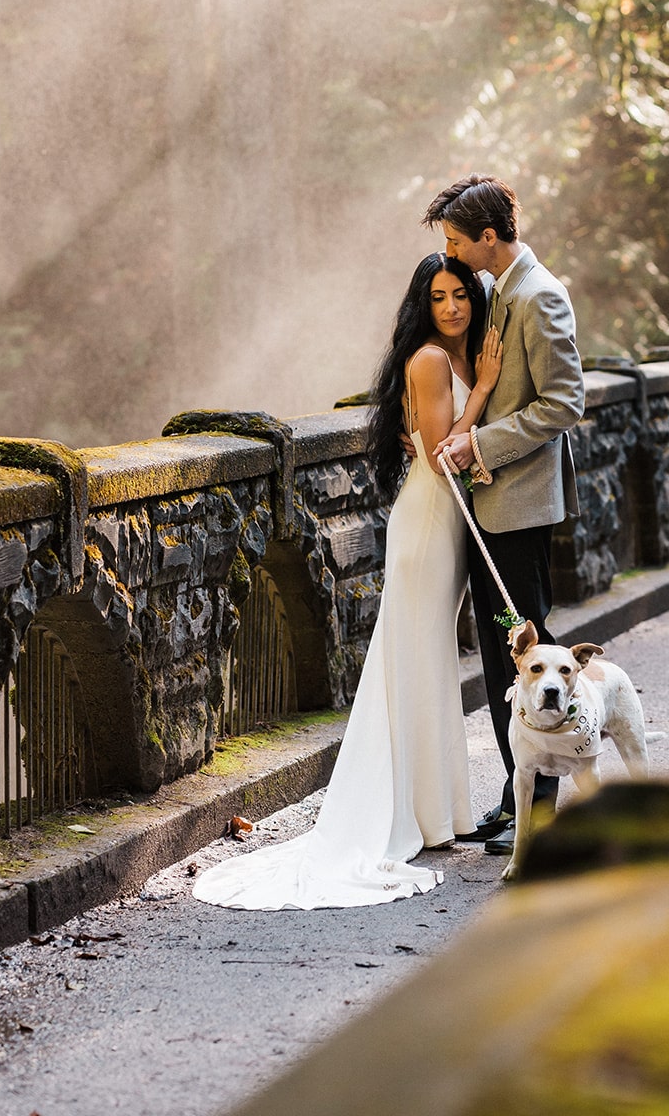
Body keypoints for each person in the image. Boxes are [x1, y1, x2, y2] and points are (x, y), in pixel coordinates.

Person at [192, 253, 502, 910]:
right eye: (439, 297)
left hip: (444, 518)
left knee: (428, 658)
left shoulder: (455, 354)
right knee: (413, 655)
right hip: (427, 518)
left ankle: (436, 812)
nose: (451, 307)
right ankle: (412, 811)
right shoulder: (427, 360)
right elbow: (443, 448)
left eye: (460, 296)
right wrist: (484, 389)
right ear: (423, 304)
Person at [424, 174, 585, 857]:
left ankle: (538, 815)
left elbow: (563, 401)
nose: (453, 253)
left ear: (488, 237)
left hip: (518, 508)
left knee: (524, 648)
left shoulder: (540, 294)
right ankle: (515, 791)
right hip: (492, 503)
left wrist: (478, 443)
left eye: (457, 240)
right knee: (500, 660)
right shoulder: (501, 292)